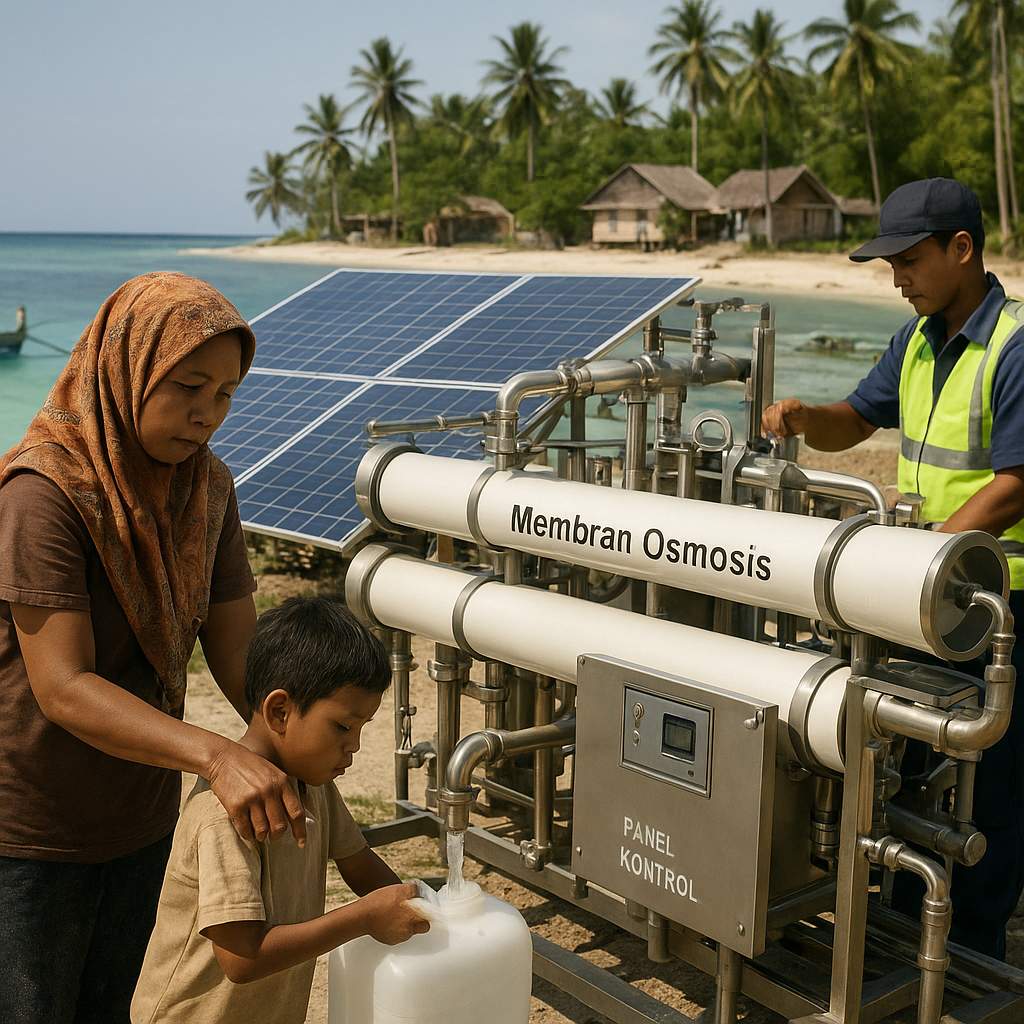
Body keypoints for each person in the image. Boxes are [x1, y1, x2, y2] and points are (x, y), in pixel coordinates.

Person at [0, 272, 310, 1023]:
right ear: (126, 369)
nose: (207, 414)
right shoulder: (43, 493)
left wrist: (298, 734)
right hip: (30, 831)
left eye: (226, 394)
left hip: (140, 814)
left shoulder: (207, 490)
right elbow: (63, 687)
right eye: (188, 387)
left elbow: (239, 654)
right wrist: (218, 756)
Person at [761, 177, 1024, 960]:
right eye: (890, 265)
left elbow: (1017, 482)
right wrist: (807, 418)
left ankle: (970, 953)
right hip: (932, 594)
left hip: (1001, 604)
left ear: (962, 249)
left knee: (991, 785)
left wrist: (923, 556)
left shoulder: (1014, 346)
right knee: (916, 766)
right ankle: (908, 925)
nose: (898, 278)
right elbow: (857, 418)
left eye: (909, 261)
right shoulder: (916, 339)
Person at [131, 595, 427, 1023]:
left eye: (362, 728)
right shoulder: (224, 815)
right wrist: (363, 918)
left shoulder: (313, 785)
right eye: (343, 726)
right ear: (280, 711)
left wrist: (421, 911)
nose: (355, 746)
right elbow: (242, 958)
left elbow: (359, 863)